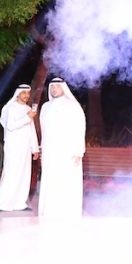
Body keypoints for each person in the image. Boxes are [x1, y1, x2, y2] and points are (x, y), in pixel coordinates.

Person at [37, 77, 86, 219]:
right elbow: (43, 130)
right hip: (49, 151)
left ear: (63, 88)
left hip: (68, 151)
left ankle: (66, 213)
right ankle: (48, 212)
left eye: (57, 86)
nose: (54, 89)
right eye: (52, 86)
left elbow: (80, 128)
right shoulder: (45, 107)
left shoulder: (73, 106)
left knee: (66, 181)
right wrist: (42, 148)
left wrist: (79, 151)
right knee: (50, 181)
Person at [0, 84, 39, 212]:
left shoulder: (28, 109)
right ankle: (1, 203)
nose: (26, 95)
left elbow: (31, 130)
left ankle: (19, 203)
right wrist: (28, 117)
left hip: (25, 147)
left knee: (24, 174)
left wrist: (35, 148)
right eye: (24, 93)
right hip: (13, 146)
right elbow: (11, 126)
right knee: (11, 173)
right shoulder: (11, 108)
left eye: (28, 93)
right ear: (18, 94)